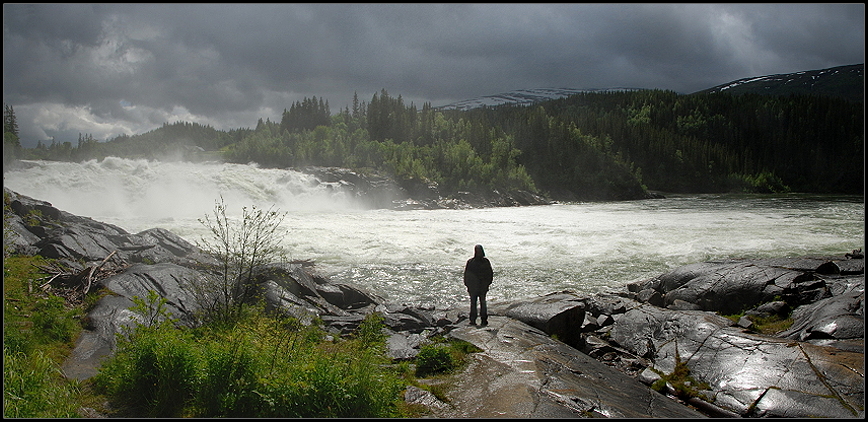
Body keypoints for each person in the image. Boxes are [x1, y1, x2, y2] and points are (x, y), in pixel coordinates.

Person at [463, 244, 493, 326]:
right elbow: (467, 275)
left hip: (482, 287)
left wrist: (487, 284)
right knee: (473, 303)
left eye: (479, 251)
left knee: (482, 303)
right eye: (477, 251)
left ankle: (484, 319)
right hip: (473, 287)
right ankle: (473, 319)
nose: (478, 252)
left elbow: (490, 274)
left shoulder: (485, 262)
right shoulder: (470, 262)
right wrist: (467, 285)